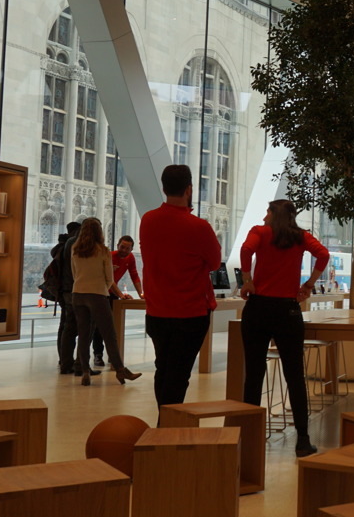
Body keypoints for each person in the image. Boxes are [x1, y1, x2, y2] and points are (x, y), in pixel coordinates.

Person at [239, 199, 328, 457]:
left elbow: (246, 250)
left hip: (257, 309)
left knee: (254, 376)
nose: (264, 215)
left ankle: (249, 438)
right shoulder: (300, 237)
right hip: (288, 311)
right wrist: (309, 284)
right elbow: (323, 254)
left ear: (273, 213)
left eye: (267, 211)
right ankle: (302, 440)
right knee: (295, 376)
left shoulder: (259, 232)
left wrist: (247, 280)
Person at [139, 165, 222, 410]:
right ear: (189, 189)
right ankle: (166, 427)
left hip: (157, 311)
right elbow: (215, 263)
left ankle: (164, 421)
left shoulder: (148, 220)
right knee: (178, 373)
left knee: (163, 368)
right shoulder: (199, 227)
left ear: (163, 188)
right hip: (190, 312)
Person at [70, 217, 142, 387]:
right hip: (97, 295)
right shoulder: (103, 250)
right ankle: (120, 370)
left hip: (78, 294)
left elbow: (74, 274)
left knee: (83, 334)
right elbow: (109, 279)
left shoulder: (75, 248)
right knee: (109, 334)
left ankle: (85, 371)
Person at [91, 234, 143, 366]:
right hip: (101, 292)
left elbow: (134, 275)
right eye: (122, 247)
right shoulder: (109, 256)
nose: (124, 250)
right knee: (99, 326)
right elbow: (109, 280)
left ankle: (112, 356)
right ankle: (98, 354)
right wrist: (121, 294)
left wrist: (141, 294)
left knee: (113, 326)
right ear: (117, 246)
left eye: (127, 248)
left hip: (112, 294)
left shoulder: (130, 258)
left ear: (131, 250)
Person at [53, 221, 94, 376]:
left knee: (67, 327)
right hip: (76, 290)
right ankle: (80, 365)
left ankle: (66, 363)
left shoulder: (68, 243)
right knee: (81, 328)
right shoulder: (77, 243)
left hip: (66, 289)